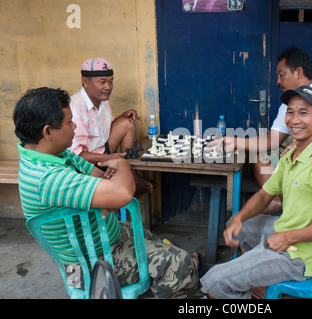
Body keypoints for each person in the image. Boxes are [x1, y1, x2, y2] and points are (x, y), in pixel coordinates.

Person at [13, 87, 201, 298]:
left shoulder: (55, 153)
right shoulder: (47, 178)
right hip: (91, 263)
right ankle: (185, 273)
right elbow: (122, 192)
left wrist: (110, 193)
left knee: (151, 237)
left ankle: (181, 275)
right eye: (68, 122)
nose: (74, 126)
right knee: (178, 262)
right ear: (47, 132)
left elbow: (99, 177)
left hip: (105, 235)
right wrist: (122, 165)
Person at [200, 86, 312, 299]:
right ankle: (258, 284)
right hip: (286, 231)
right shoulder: (292, 154)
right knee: (239, 226)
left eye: (303, 113)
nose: (294, 120)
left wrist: (288, 237)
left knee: (214, 281)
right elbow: (265, 195)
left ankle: (250, 285)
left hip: (300, 256)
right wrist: (239, 217)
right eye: (290, 112)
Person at [209, 46, 312, 214]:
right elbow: (270, 141)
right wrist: (234, 142)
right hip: (298, 157)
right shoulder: (289, 101)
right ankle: (278, 198)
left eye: (281, 75)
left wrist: (308, 146)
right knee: (256, 153)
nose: (278, 81)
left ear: (298, 72)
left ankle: (288, 198)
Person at [69, 58, 154, 196]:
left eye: (111, 81)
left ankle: (133, 175)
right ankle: (127, 184)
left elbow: (104, 126)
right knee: (121, 182)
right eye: (102, 82)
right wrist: (109, 158)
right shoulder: (75, 107)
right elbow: (77, 155)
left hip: (102, 151)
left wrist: (122, 116)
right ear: (85, 81)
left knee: (127, 123)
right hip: (86, 164)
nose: (108, 87)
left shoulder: (101, 100)